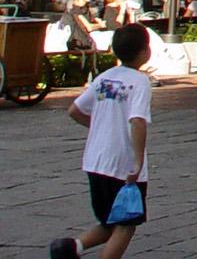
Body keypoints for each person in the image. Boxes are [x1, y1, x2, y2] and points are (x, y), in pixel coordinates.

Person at [48, 21, 154, 259]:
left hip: (95, 161)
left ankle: (70, 247)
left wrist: (99, 126)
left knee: (109, 221)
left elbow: (74, 110)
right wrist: (137, 163)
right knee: (126, 223)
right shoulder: (139, 81)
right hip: (122, 164)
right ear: (145, 51)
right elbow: (137, 121)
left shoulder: (104, 78)